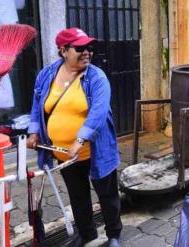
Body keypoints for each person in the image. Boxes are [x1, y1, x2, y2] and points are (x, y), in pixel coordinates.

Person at [26, 27, 122, 247]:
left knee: (107, 195)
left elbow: (99, 112)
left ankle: (114, 235)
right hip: (64, 153)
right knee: (77, 195)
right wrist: (34, 132)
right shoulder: (46, 75)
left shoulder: (96, 77)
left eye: (89, 47)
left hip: (95, 149)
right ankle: (87, 233)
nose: (87, 52)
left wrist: (79, 140)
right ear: (63, 51)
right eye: (80, 48)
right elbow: (36, 105)